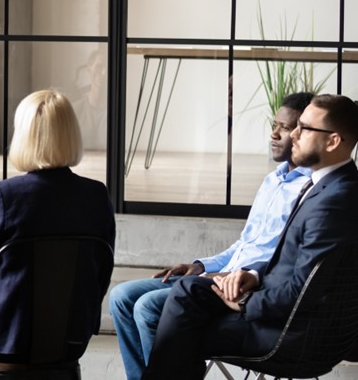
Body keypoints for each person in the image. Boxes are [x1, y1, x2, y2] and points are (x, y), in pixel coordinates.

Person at [143, 94, 358, 380]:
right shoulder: (331, 187)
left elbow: (302, 291)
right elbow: (297, 268)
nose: (293, 134)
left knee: (177, 318)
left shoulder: (333, 201)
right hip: (283, 314)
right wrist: (253, 277)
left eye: (304, 128)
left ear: (333, 141)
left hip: (288, 336)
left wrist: (245, 301)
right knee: (189, 292)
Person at [108, 91, 315, 380]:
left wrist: (229, 277)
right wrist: (202, 265)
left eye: (284, 127)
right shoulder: (273, 180)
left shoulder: (309, 192)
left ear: (303, 132)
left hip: (239, 288)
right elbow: (245, 244)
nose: (274, 134)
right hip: (218, 276)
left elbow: (281, 263)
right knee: (120, 296)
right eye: (275, 124)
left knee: (146, 307)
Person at [0, 90, 116, 362]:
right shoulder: (97, 196)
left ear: (23, 135)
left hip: (6, 338)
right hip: (70, 340)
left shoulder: (2, 196)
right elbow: (101, 278)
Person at [71, 49, 107, 150]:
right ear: (89, 70)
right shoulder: (75, 110)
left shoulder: (118, 112)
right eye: (99, 67)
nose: (104, 72)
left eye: (108, 67)